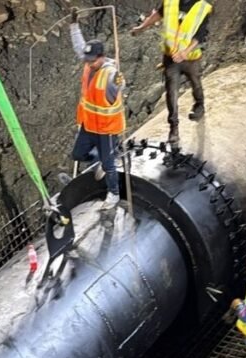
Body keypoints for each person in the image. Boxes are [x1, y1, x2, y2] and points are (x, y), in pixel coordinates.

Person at [131, 1, 212, 146]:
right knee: (171, 92)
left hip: (190, 58)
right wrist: (142, 27)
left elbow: (199, 36)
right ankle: (173, 128)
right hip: (170, 58)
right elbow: (158, 14)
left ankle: (199, 105)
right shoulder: (170, 2)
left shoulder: (202, 8)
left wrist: (185, 53)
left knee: (196, 83)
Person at [70, 8, 126, 209]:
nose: (88, 64)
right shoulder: (88, 63)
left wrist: (119, 79)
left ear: (101, 57)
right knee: (78, 155)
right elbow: (79, 46)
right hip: (88, 125)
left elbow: (120, 86)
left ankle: (113, 194)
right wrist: (74, 24)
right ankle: (99, 160)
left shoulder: (111, 74)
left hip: (106, 129)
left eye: (92, 60)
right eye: (88, 60)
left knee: (109, 165)